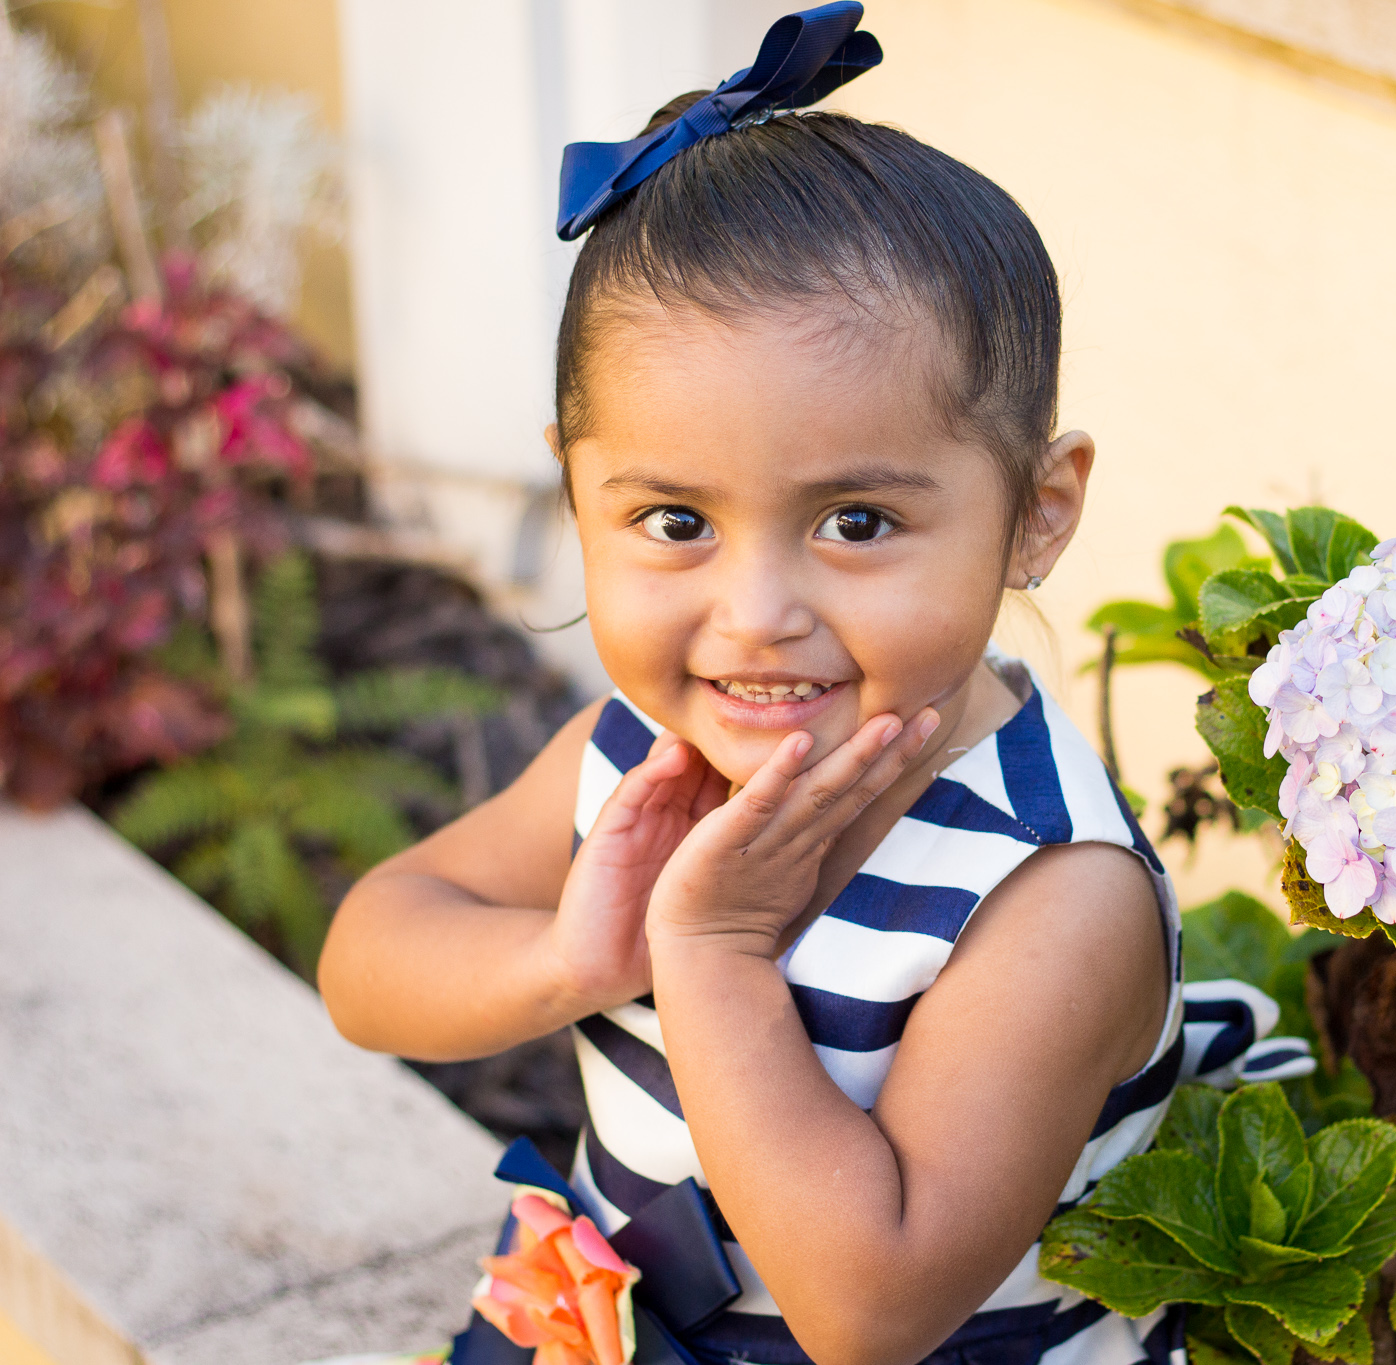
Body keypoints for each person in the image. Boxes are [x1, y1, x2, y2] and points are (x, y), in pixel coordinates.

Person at [318, 8, 1299, 1364]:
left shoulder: (1048, 889)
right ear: (576, 491)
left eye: (855, 521)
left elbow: (870, 1307)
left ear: (1036, 510)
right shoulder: (634, 753)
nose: (757, 616)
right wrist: (570, 954)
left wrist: (709, 960)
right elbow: (369, 960)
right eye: (673, 520)